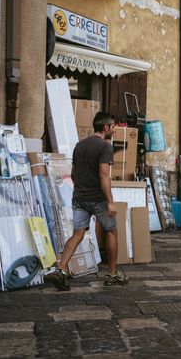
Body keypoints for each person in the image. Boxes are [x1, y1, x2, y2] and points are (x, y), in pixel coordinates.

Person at [44, 112, 128, 291]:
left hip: (80, 198)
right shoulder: (105, 147)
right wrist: (110, 202)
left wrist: (82, 190)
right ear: (105, 128)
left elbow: (73, 174)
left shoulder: (79, 146)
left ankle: (61, 269)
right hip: (98, 199)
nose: (114, 130)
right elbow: (104, 175)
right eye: (113, 126)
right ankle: (112, 274)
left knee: (77, 234)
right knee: (111, 231)